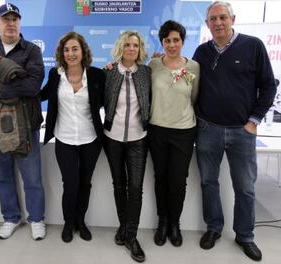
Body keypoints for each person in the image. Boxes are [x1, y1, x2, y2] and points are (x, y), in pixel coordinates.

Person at [192, 1, 276, 261]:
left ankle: (245, 236)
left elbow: (268, 86)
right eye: (213, 19)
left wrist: (254, 120)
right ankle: (214, 228)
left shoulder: (253, 46)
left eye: (222, 17)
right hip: (208, 129)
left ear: (232, 19)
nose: (218, 23)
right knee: (208, 182)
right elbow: (188, 82)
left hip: (242, 132)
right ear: (207, 24)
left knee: (245, 187)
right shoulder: (201, 52)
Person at [0, 3, 46, 240]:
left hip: (25, 126)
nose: (11, 23)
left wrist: (1, 86)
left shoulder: (31, 50)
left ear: (20, 23)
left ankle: (36, 219)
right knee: (2, 176)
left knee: (32, 177)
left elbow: (33, 85)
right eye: (6, 19)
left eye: (15, 19)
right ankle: (11, 217)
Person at [40, 32, 105, 243]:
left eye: (75, 49)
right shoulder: (54, 75)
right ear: (61, 53)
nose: (71, 53)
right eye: (66, 49)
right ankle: (68, 223)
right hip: (64, 138)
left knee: (85, 183)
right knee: (70, 184)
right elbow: (39, 95)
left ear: (83, 51)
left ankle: (81, 222)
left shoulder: (96, 75)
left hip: (90, 139)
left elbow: (110, 97)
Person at [148, 20, 199, 248]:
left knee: (178, 180)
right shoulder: (153, 65)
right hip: (157, 129)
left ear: (183, 41)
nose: (171, 44)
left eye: (176, 40)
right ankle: (162, 222)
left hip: (184, 132)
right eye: (167, 40)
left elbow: (194, 97)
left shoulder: (193, 67)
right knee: (160, 178)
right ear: (162, 42)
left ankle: (175, 224)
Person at [103, 31, 151, 263]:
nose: (131, 48)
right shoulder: (109, 72)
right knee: (119, 185)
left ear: (140, 49)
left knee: (136, 187)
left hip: (138, 138)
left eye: (135, 45)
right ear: (121, 47)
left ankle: (131, 236)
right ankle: (123, 226)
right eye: (127, 45)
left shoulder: (146, 72)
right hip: (112, 137)